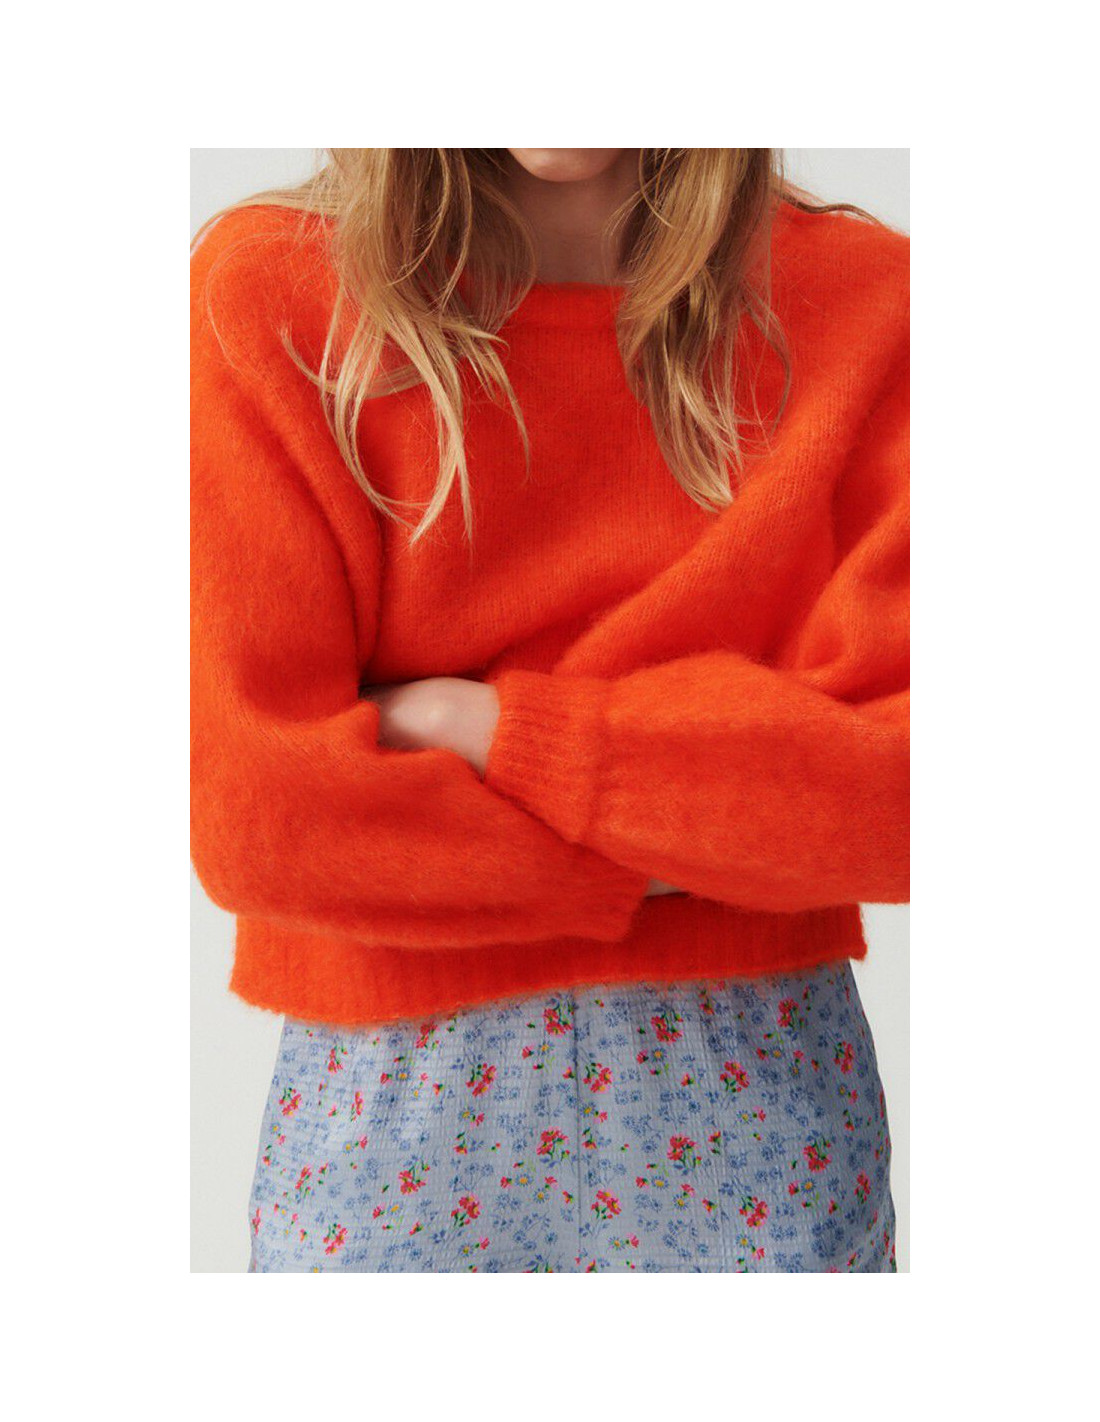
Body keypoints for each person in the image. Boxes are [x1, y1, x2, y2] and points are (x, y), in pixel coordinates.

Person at [190, 148, 909, 1272]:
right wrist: (731, 827)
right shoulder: (271, 293)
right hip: (390, 1117)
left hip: (761, 1101)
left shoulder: (870, 300)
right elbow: (264, 817)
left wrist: (479, 732)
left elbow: (902, 799)